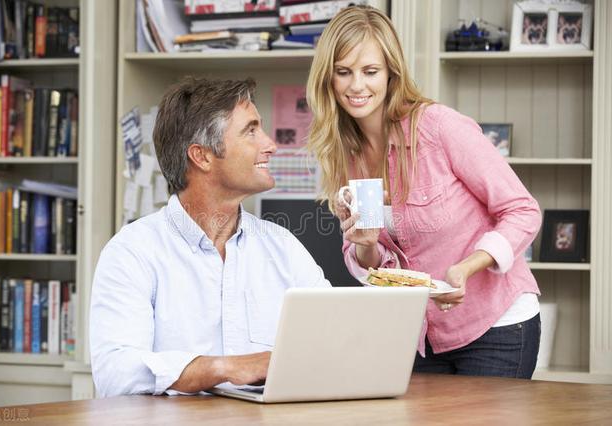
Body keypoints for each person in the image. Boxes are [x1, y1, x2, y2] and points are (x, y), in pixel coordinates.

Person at [306, 6, 542, 378]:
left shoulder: (439, 127)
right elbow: (370, 258)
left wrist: (467, 267)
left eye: (370, 72)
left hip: (494, 327)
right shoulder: (344, 153)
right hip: (417, 334)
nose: (356, 86)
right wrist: (364, 245)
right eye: (343, 72)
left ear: (390, 73)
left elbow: (522, 210)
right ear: (328, 78)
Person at [90, 77, 330, 397]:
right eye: (251, 131)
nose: (270, 144)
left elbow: (334, 341)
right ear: (201, 156)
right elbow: (115, 374)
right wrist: (223, 368)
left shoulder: (283, 247)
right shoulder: (132, 252)